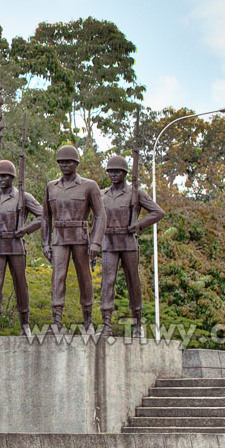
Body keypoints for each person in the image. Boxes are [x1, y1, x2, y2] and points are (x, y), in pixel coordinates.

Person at [42, 145, 107, 334]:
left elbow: (100, 215)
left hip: (80, 238)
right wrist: (45, 243)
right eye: (61, 162)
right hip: (59, 238)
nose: (64, 165)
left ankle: (88, 321)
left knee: (85, 279)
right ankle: (56, 322)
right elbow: (45, 218)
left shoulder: (89, 185)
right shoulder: (51, 186)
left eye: (68, 162)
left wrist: (96, 242)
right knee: (57, 278)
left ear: (76, 163)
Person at [99, 154, 164, 338]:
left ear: (125, 173)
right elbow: (96, 218)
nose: (113, 175)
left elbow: (158, 212)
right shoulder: (101, 194)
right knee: (107, 282)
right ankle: (106, 324)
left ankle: (137, 324)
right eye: (110, 171)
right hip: (109, 242)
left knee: (133, 282)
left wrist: (139, 225)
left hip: (128, 242)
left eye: (117, 171)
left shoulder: (136, 193)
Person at [0, 159, 43, 338]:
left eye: (4, 176)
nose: (0, 179)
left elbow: (43, 216)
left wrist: (25, 229)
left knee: (21, 285)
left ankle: (25, 324)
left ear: (12, 177)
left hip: (16, 246)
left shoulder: (23, 197)